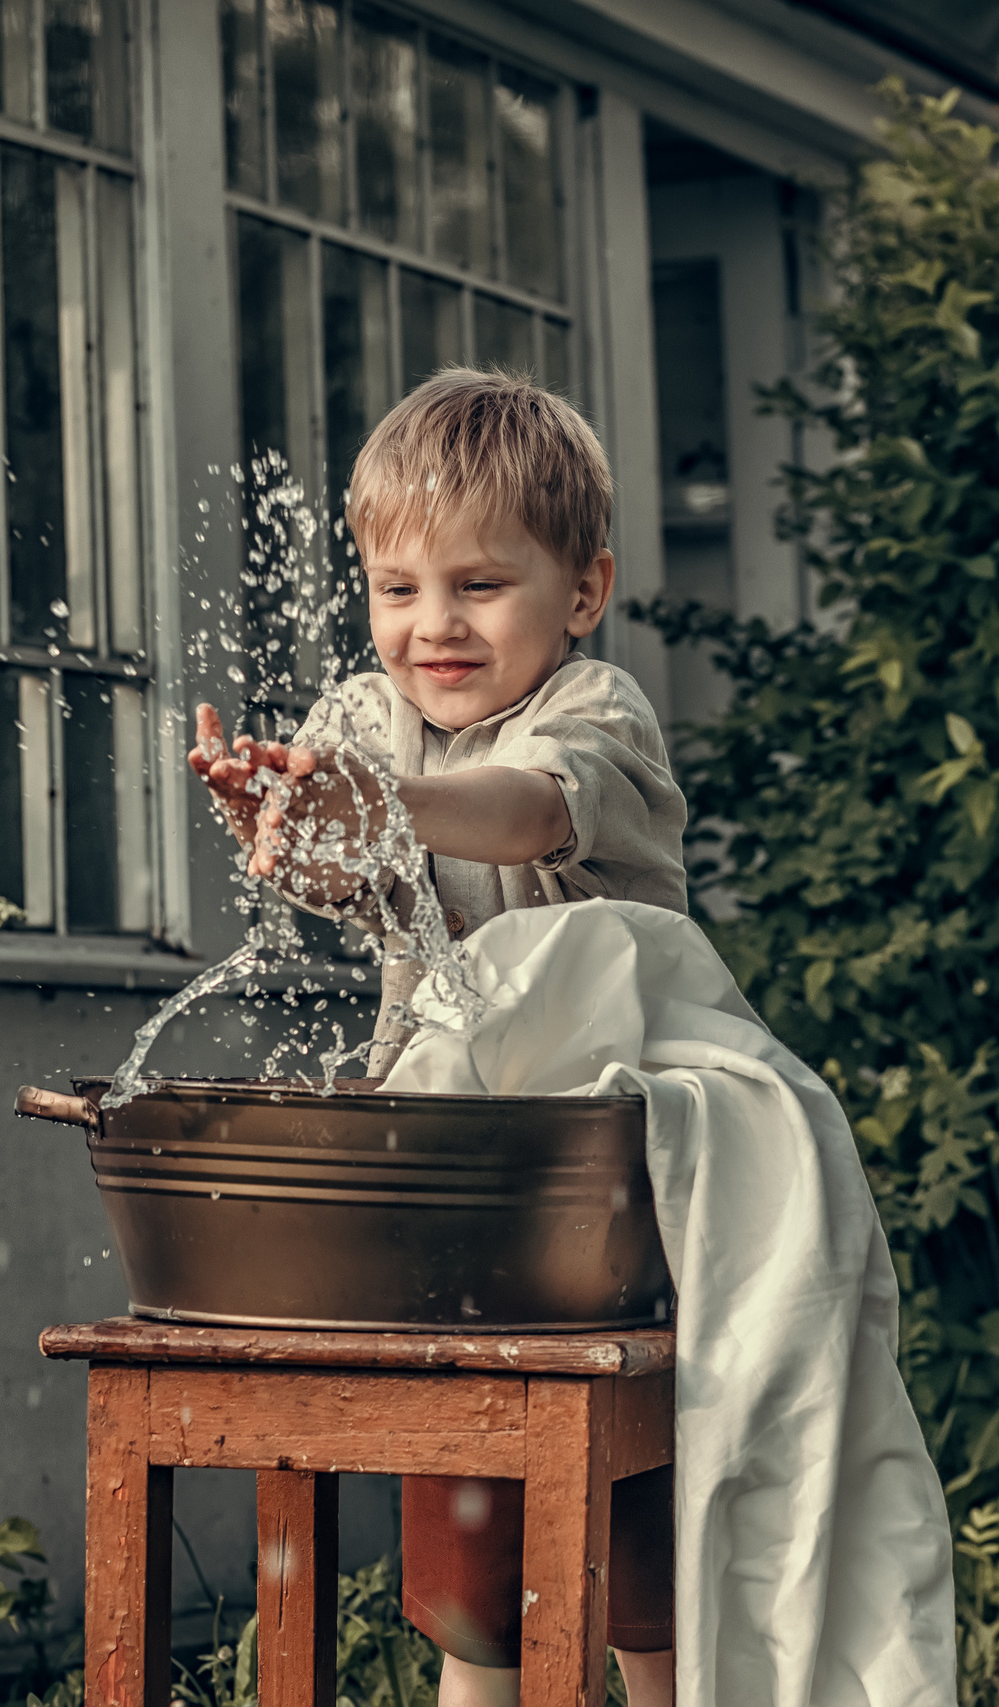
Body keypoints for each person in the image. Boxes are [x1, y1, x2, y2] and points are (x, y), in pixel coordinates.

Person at [188, 366, 689, 1707]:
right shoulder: (366, 718)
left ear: (581, 592)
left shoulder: (597, 714)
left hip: (612, 1179)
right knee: (475, 1534)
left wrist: (386, 799)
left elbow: (529, 814)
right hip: (454, 1177)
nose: (434, 626)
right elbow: (353, 877)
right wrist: (284, 831)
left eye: (480, 585)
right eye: (399, 590)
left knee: (646, 1553)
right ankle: (485, 1668)